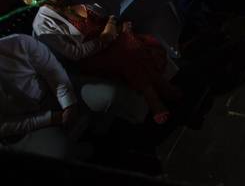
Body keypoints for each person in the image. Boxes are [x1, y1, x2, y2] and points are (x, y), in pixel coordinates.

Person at [23, 0, 177, 124]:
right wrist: (104, 38)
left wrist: (113, 23)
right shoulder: (43, 24)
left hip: (113, 37)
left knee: (132, 43)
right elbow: (75, 54)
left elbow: (108, 8)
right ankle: (156, 94)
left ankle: (158, 92)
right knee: (127, 51)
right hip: (92, 55)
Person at [0, 34, 147, 159]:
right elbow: (5, 126)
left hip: (57, 91)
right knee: (58, 155)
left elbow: (53, 71)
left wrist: (68, 104)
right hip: (29, 123)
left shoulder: (18, 43)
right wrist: (51, 118)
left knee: (111, 94)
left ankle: (142, 120)